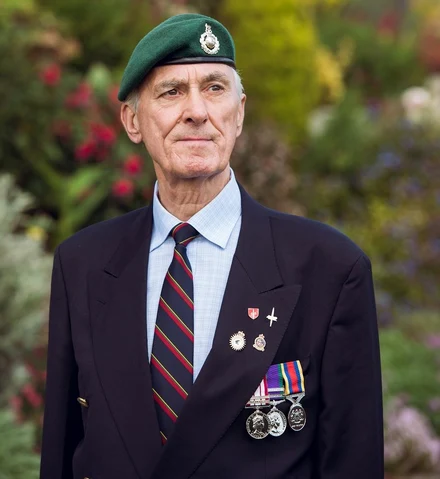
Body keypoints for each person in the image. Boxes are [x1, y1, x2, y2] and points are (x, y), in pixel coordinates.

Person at [40, 13, 384, 479]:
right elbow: (64, 450)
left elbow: (352, 459)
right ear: (132, 120)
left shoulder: (329, 268)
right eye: (171, 91)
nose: (197, 111)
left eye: (215, 88)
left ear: (239, 113)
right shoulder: (82, 264)